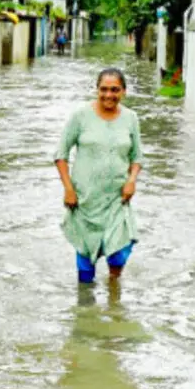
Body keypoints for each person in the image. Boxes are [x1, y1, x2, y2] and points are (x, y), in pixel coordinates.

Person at [55, 68, 142, 284]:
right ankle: (85, 307)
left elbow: (137, 157)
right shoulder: (80, 116)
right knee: (85, 259)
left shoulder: (131, 118)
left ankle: (114, 298)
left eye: (115, 90)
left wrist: (132, 181)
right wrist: (68, 189)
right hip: (85, 199)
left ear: (124, 91)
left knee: (119, 252)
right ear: (97, 90)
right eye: (103, 89)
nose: (109, 95)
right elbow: (60, 155)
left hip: (117, 197)